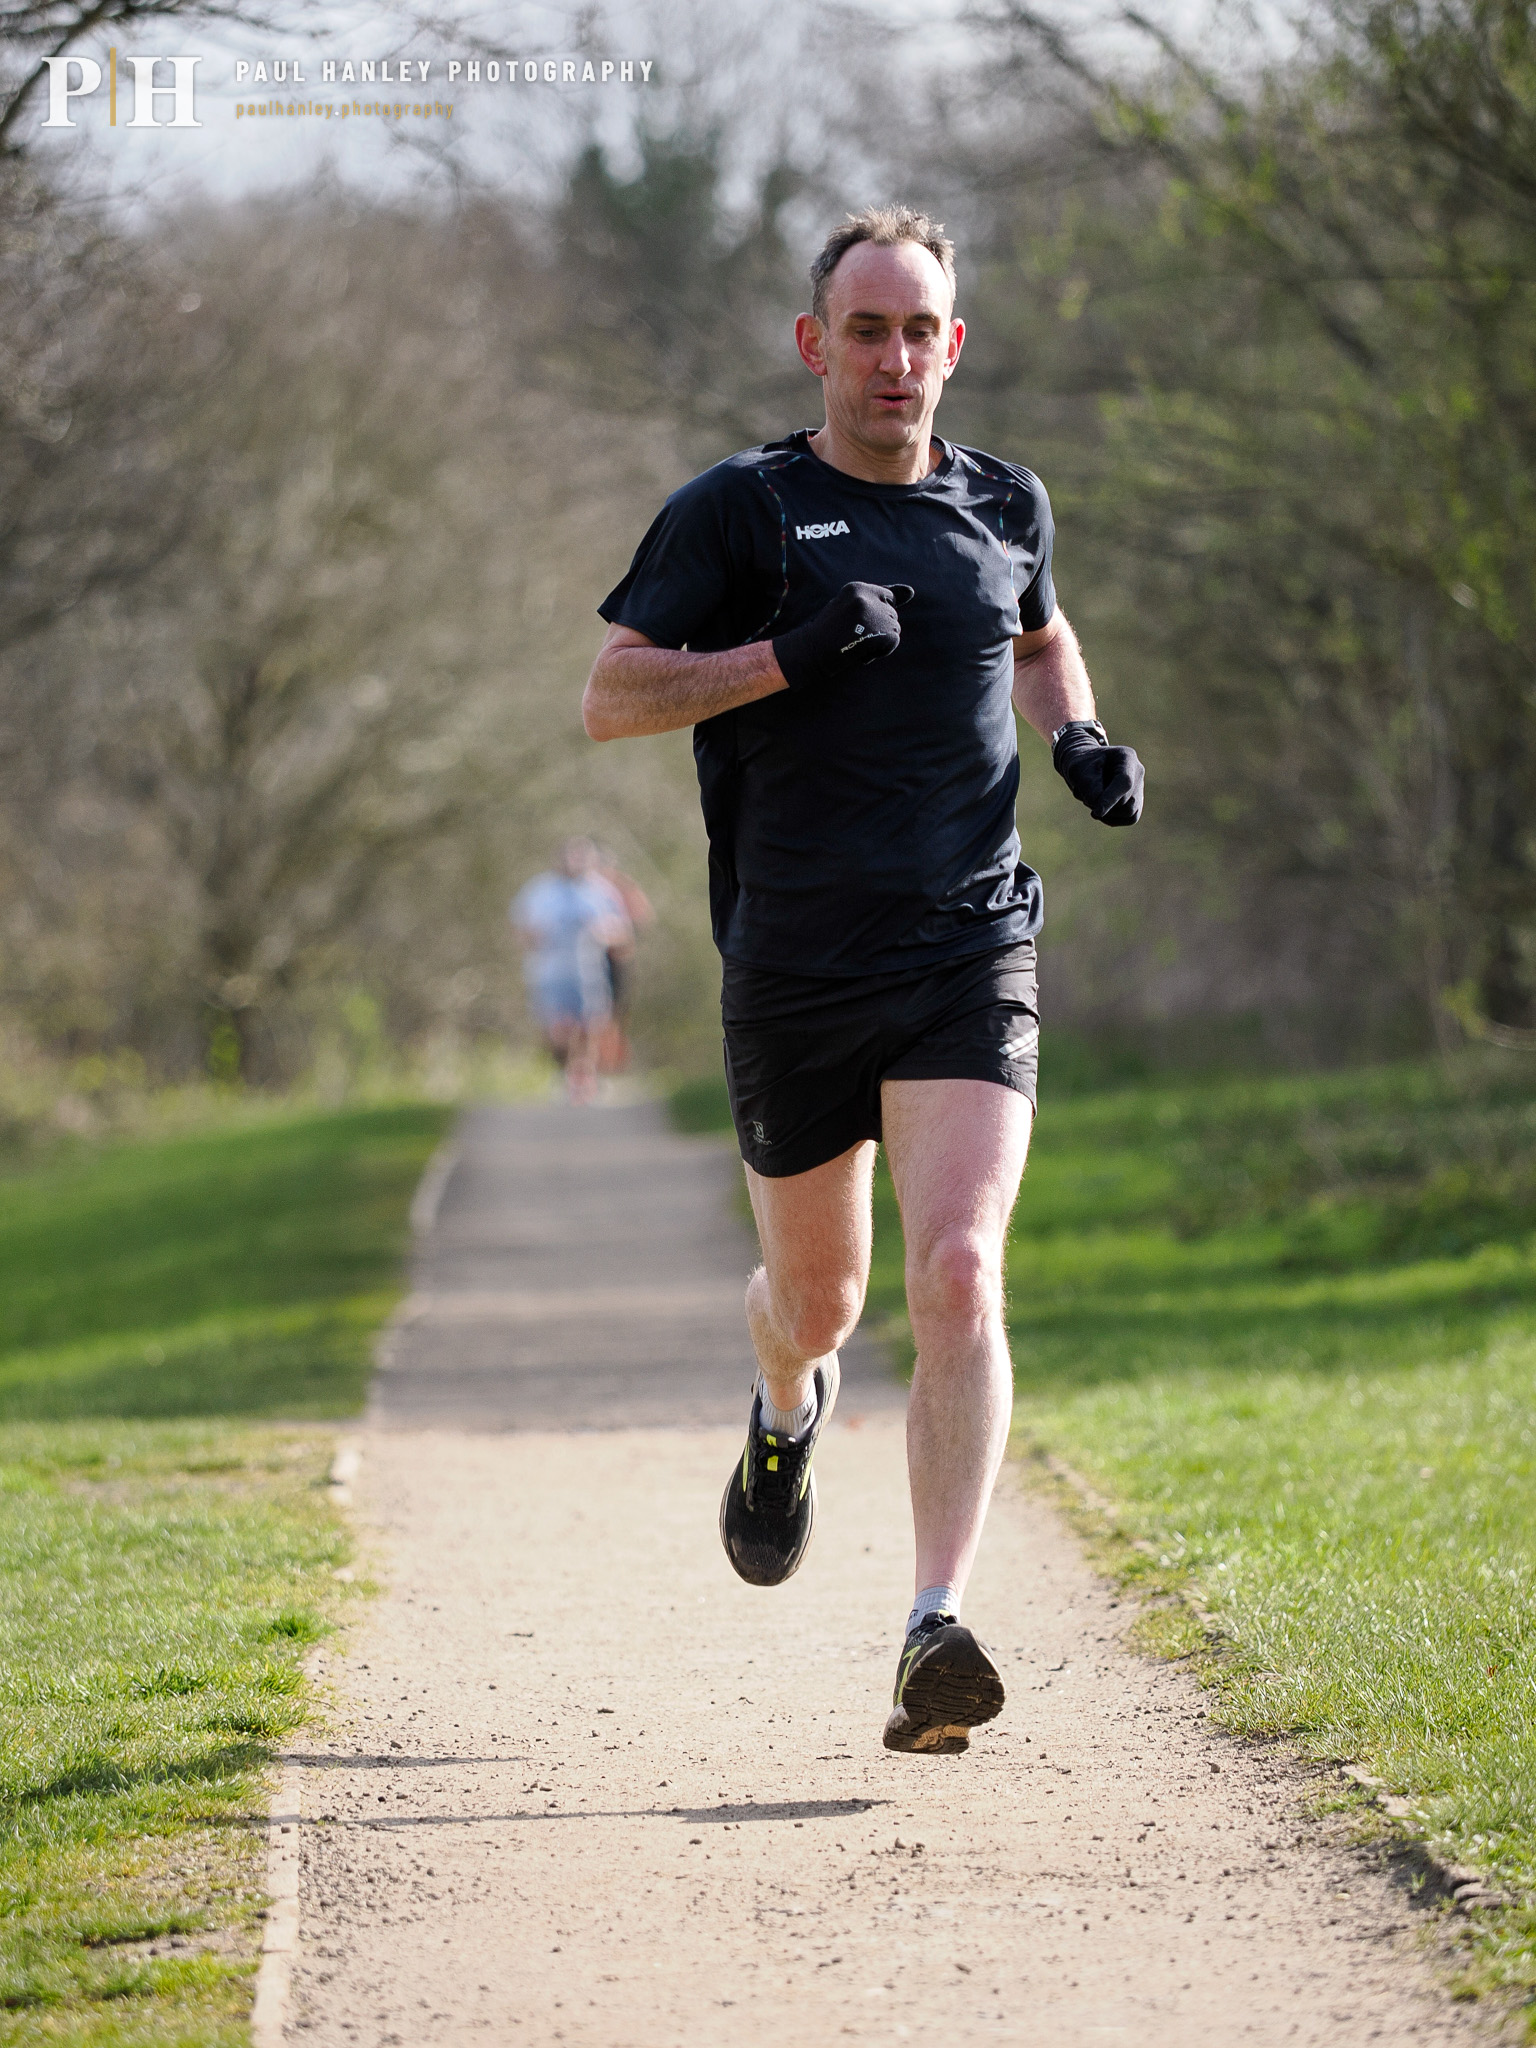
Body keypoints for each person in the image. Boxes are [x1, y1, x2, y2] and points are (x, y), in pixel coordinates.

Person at [583, 205, 1143, 1754]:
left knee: (959, 1266)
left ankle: (934, 1624)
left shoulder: (1005, 501)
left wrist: (1077, 732)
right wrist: (785, 656)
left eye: (923, 333)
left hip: (972, 939)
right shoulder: (743, 514)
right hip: (796, 963)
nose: (897, 360)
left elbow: (1038, 632)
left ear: (953, 348)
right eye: (869, 331)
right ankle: (784, 1414)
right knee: (818, 1303)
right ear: (816, 343)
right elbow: (612, 695)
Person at [511, 838, 631, 1104]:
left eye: (581, 857)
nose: (575, 863)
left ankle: (586, 1079)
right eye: (571, 857)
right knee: (559, 1029)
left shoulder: (602, 890)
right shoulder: (539, 891)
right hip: (550, 973)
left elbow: (623, 933)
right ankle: (565, 1074)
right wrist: (535, 937)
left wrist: (605, 932)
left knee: (591, 1025)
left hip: (590, 972)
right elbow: (520, 930)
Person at [593, 852, 654, 1074]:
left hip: (618, 959)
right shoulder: (589, 889)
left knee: (616, 1014)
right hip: (593, 961)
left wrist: (620, 932)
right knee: (596, 1014)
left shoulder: (622, 887)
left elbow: (642, 917)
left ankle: (611, 1064)